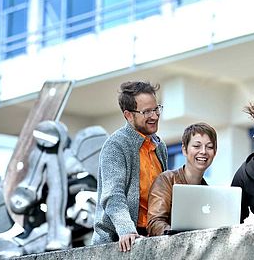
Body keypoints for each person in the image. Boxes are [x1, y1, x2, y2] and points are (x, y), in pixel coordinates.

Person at [92, 81, 168, 252]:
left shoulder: (160, 146)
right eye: (147, 111)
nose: (155, 116)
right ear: (128, 115)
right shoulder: (116, 145)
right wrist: (126, 229)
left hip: (152, 237)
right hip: (118, 241)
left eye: (156, 109)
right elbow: (113, 195)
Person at [147, 122, 217, 236]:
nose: (203, 151)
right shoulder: (166, 180)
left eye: (209, 147)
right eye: (197, 146)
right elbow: (154, 222)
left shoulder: (210, 193)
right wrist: (176, 234)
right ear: (184, 150)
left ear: (215, 152)